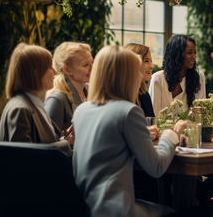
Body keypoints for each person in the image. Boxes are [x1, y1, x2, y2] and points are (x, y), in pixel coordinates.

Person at [72, 45, 187, 217]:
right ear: (126, 77)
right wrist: (172, 134)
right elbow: (156, 167)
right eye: (136, 72)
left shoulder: (81, 110)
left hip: (87, 207)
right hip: (118, 210)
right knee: (172, 210)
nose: (140, 76)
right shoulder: (128, 111)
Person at [0, 43, 73, 148]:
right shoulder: (20, 110)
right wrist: (65, 144)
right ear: (36, 73)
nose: (55, 72)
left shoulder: (32, 104)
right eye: (50, 67)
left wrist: (64, 140)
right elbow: (28, 157)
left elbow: (41, 144)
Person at [150, 35, 206, 116]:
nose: (194, 56)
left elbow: (200, 113)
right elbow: (154, 117)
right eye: (189, 52)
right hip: (162, 128)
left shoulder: (198, 76)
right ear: (177, 54)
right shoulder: (158, 79)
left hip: (190, 127)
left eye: (195, 52)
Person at [45, 42, 93, 132]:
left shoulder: (92, 90)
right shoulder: (57, 99)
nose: (93, 68)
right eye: (85, 65)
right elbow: (50, 141)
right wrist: (67, 140)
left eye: (92, 62)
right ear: (67, 69)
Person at [125, 43, 160, 140]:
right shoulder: (120, 98)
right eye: (146, 61)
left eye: (151, 61)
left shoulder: (145, 96)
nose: (152, 66)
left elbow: (153, 128)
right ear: (132, 63)